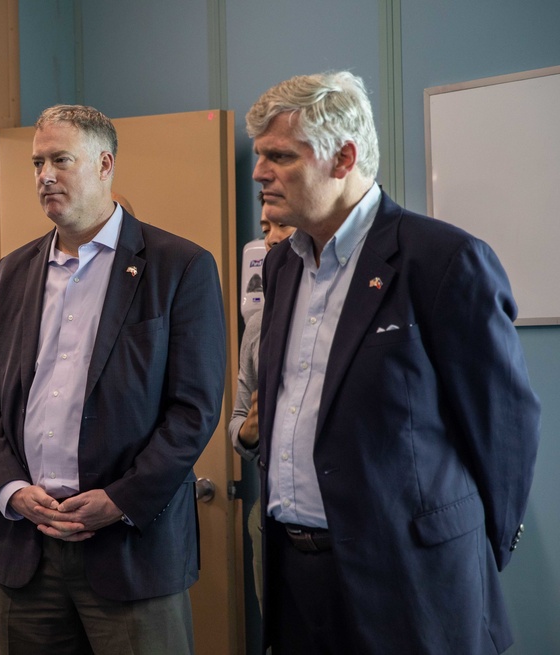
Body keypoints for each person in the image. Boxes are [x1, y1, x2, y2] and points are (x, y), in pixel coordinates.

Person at [248, 71, 541, 654]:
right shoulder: (280, 267)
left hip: (411, 584)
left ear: (343, 158)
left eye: (279, 156)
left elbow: (504, 427)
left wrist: (463, 551)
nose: (259, 173)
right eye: (261, 156)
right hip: (298, 578)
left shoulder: (443, 260)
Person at [0, 104, 227, 655]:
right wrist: (10, 490)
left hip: (130, 548)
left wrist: (121, 498)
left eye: (61, 160)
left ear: (104, 164)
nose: (44, 176)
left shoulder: (178, 266)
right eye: (37, 162)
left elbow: (193, 410)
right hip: (26, 548)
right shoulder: (11, 273)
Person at [0, 193, 136, 539]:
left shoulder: (154, 282)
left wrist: (121, 498)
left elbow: (188, 410)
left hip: (123, 534)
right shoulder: (16, 284)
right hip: (24, 528)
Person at [229, 193, 296, 610]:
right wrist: (248, 431)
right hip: (269, 518)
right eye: (265, 229)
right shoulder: (257, 323)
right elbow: (237, 422)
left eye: (282, 226)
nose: (270, 240)